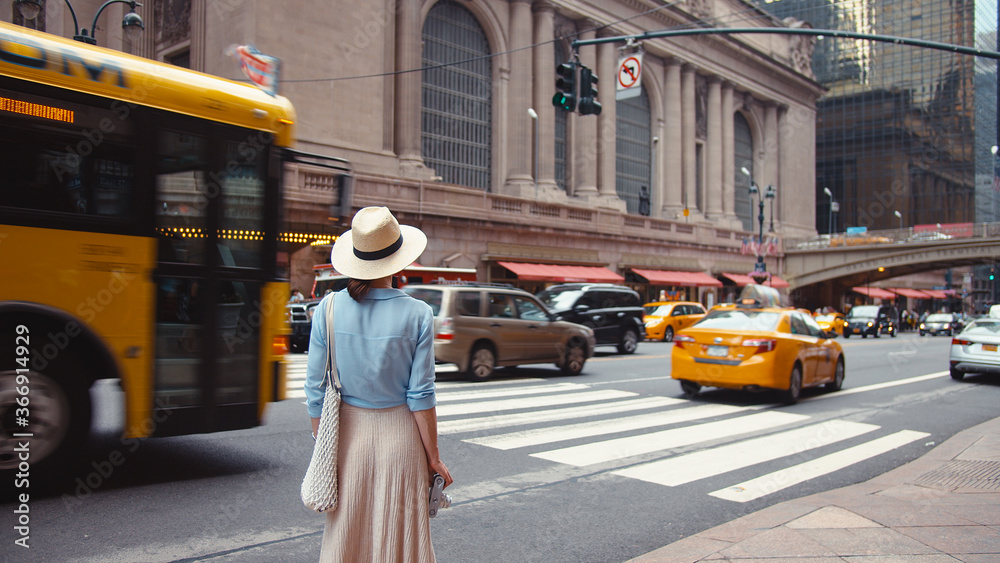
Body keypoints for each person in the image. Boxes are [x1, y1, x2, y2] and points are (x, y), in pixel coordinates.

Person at [304, 206, 453, 562]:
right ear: (398, 262)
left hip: (347, 437)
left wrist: (321, 439)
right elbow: (420, 395)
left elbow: (314, 389)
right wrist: (433, 457)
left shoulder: (328, 308)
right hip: (401, 438)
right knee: (399, 536)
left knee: (348, 533)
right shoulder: (418, 313)